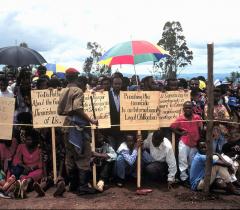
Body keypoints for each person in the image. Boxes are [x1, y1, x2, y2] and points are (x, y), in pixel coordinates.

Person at [57, 67, 98, 195]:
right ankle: (83, 186)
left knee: (70, 155)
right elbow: (77, 108)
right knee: (83, 155)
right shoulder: (78, 90)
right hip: (77, 127)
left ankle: (73, 185)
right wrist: (91, 120)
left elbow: (59, 111)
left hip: (66, 126)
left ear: (66, 77)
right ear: (76, 77)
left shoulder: (63, 91)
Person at [171, 101, 203, 185]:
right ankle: (184, 178)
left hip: (194, 142)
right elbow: (172, 127)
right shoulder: (180, 119)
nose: (188, 109)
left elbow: (200, 129)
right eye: (186, 108)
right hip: (184, 143)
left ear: (193, 108)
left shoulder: (197, 117)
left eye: (190, 107)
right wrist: (180, 133)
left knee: (192, 162)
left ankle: (192, 177)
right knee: (183, 161)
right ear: (183, 109)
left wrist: (199, 139)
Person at [12, 128, 43, 198]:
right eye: (26, 139)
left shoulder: (39, 149)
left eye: (29, 140)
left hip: (36, 170)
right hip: (25, 170)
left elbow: (40, 165)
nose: (27, 141)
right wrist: (24, 166)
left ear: (34, 140)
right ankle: (22, 190)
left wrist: (32, 168)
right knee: (22, 177)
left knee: (31, 177)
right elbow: (16, 160)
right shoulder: (21, 147)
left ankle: (22, 189)